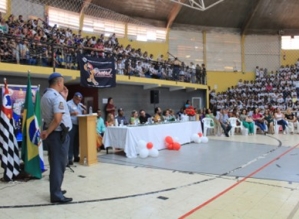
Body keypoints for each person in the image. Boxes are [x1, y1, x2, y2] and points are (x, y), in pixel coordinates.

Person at [41, 72, 73, 204]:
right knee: (58, 166)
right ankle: (56, 195)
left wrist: (64, 98)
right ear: (59, 82)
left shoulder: (46, 96)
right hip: (58, 135)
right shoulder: (56, 97)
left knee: (56, 164)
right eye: (63, 82)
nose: (64, 85)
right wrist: (47, 132)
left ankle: (57, 189)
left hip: (54, 135)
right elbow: (58, 119)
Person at [67, 92, 86, 165]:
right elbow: (64, 114)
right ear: (74, 97)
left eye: (80, 100)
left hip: (79, 124)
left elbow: (83, 113)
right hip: (71, 125)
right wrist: (72, 113)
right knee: (71, 141)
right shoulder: (68, 104)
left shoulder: (80, 105)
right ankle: (69, 158)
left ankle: (76, 156)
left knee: (77, 142)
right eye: (77, 99)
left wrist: (84, 111)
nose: (78, 101)